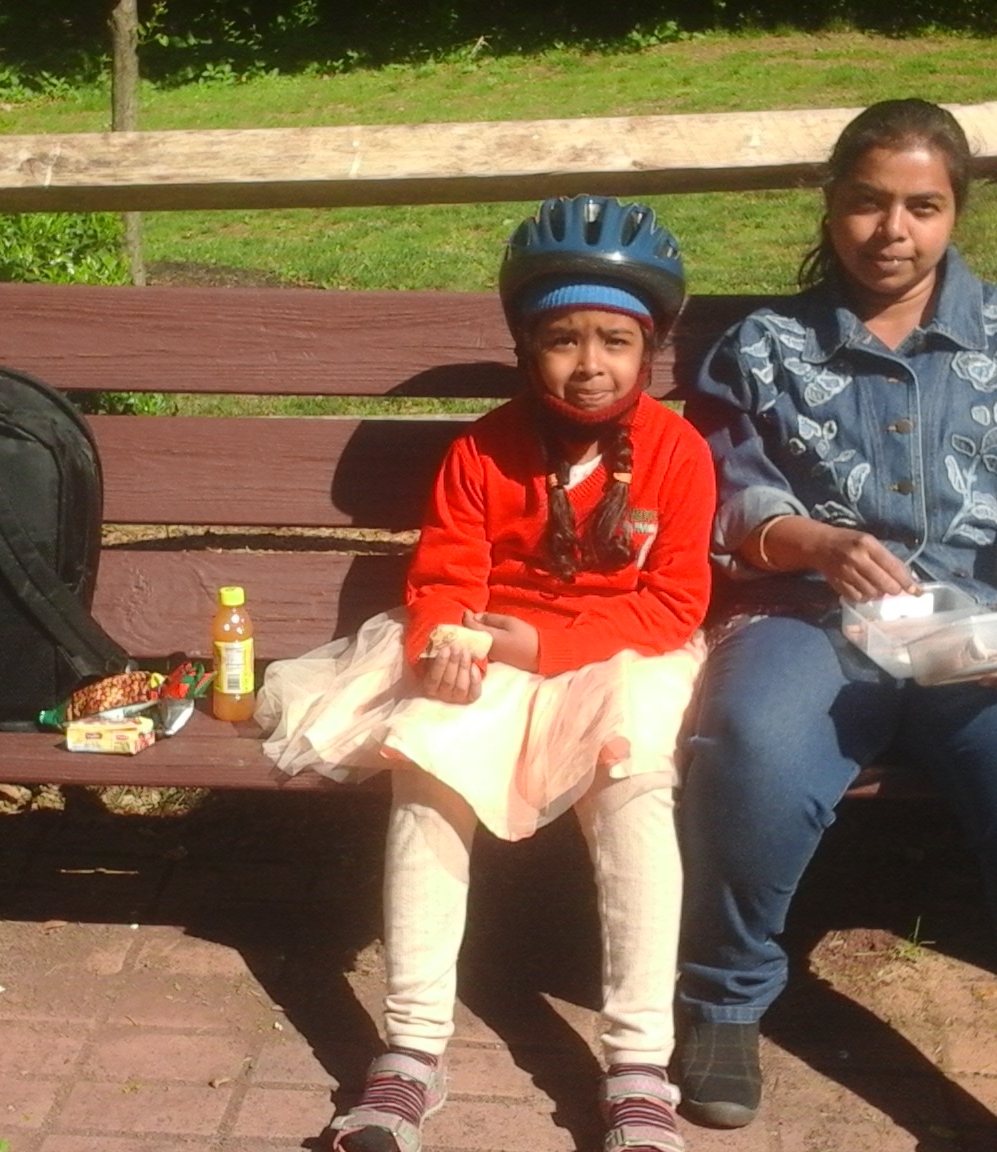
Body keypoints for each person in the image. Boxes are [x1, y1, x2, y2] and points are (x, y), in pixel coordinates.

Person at [671, 99, 997, 1152]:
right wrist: (814, 543)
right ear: (830, 205)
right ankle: (722, 999)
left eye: (921, 207)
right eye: (867, 203)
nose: (892, 231)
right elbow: (728, 491)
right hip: (813, 616)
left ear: (955, 212)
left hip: (993, 618)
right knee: (750, 744)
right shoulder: (764, 346)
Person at [257, 194, 716, 1152]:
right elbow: (444, 576)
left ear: (651, 349)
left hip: (623, 652)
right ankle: (411, 1052)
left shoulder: (677, 454)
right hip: (487, 645)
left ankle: (638, 1066)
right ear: (523, 345)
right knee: (429, 767)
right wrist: (442, 642)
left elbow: (674, 604)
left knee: (634, 779)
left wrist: (539, 649)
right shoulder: (481, 449)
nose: (589, 364)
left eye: (615, 341)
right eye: (561, 339)